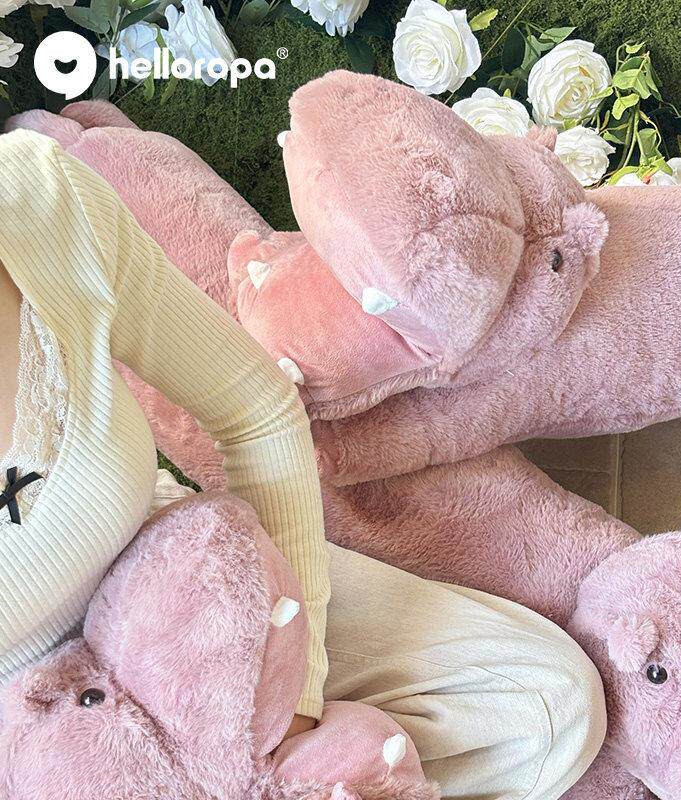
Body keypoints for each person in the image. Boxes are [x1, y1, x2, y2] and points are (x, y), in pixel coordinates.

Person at [0, 129, 605, 799]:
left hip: (181, 585)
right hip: (26, 747)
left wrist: (293, 700)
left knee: (550, 705)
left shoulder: (41, 200)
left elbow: (256, 410)